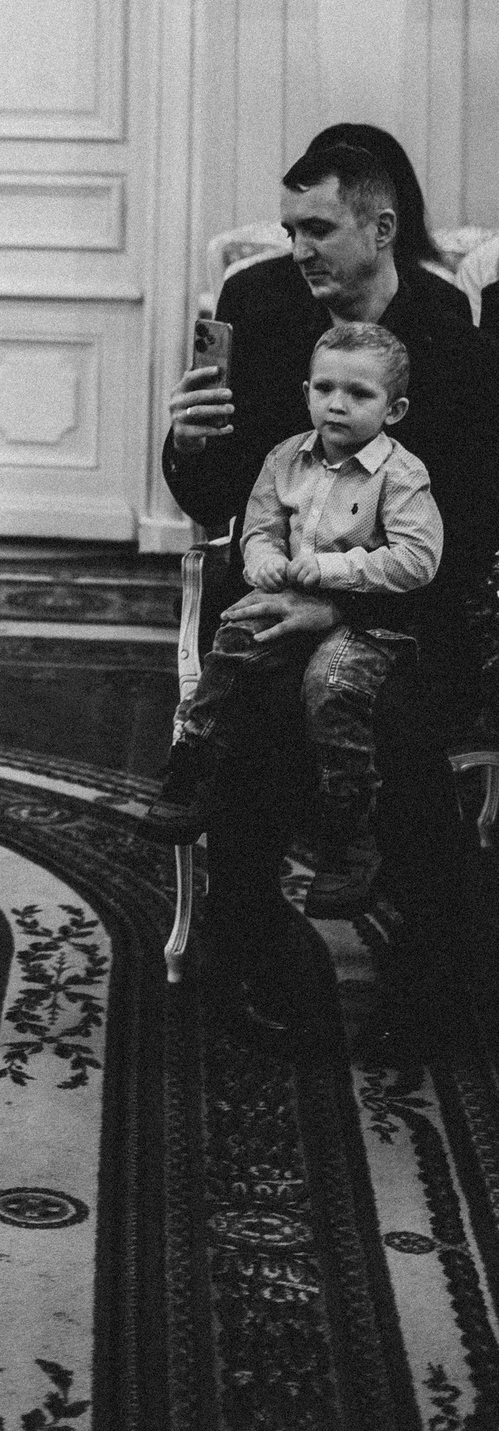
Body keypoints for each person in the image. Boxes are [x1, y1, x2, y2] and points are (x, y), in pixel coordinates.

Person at [164, 124, 499, 1036]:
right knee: (260, 700)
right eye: (290, 230)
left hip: (408, 605)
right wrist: (186, 444)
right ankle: (248, 949)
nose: (298, 249)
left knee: (393, 713)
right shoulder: (256, 302)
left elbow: (471, 521)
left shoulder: (446, 331)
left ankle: (435, 965)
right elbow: (216, 498)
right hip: (273, 588)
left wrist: (338, 605)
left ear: (381, 229)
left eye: (316, 230)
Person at [140, 321, 440, 914]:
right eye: (325, 388)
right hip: (290, 596)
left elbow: (417, 558)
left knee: (330, 685)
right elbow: (260, 526)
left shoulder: (402, 475)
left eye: (359, 394)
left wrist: (331, 570)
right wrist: (265, 561)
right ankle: (194, 768)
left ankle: (348, 831)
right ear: (306, 392)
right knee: (233, 641)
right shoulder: (286, 458)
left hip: (364, 619)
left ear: (395, 410)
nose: (337, 404)